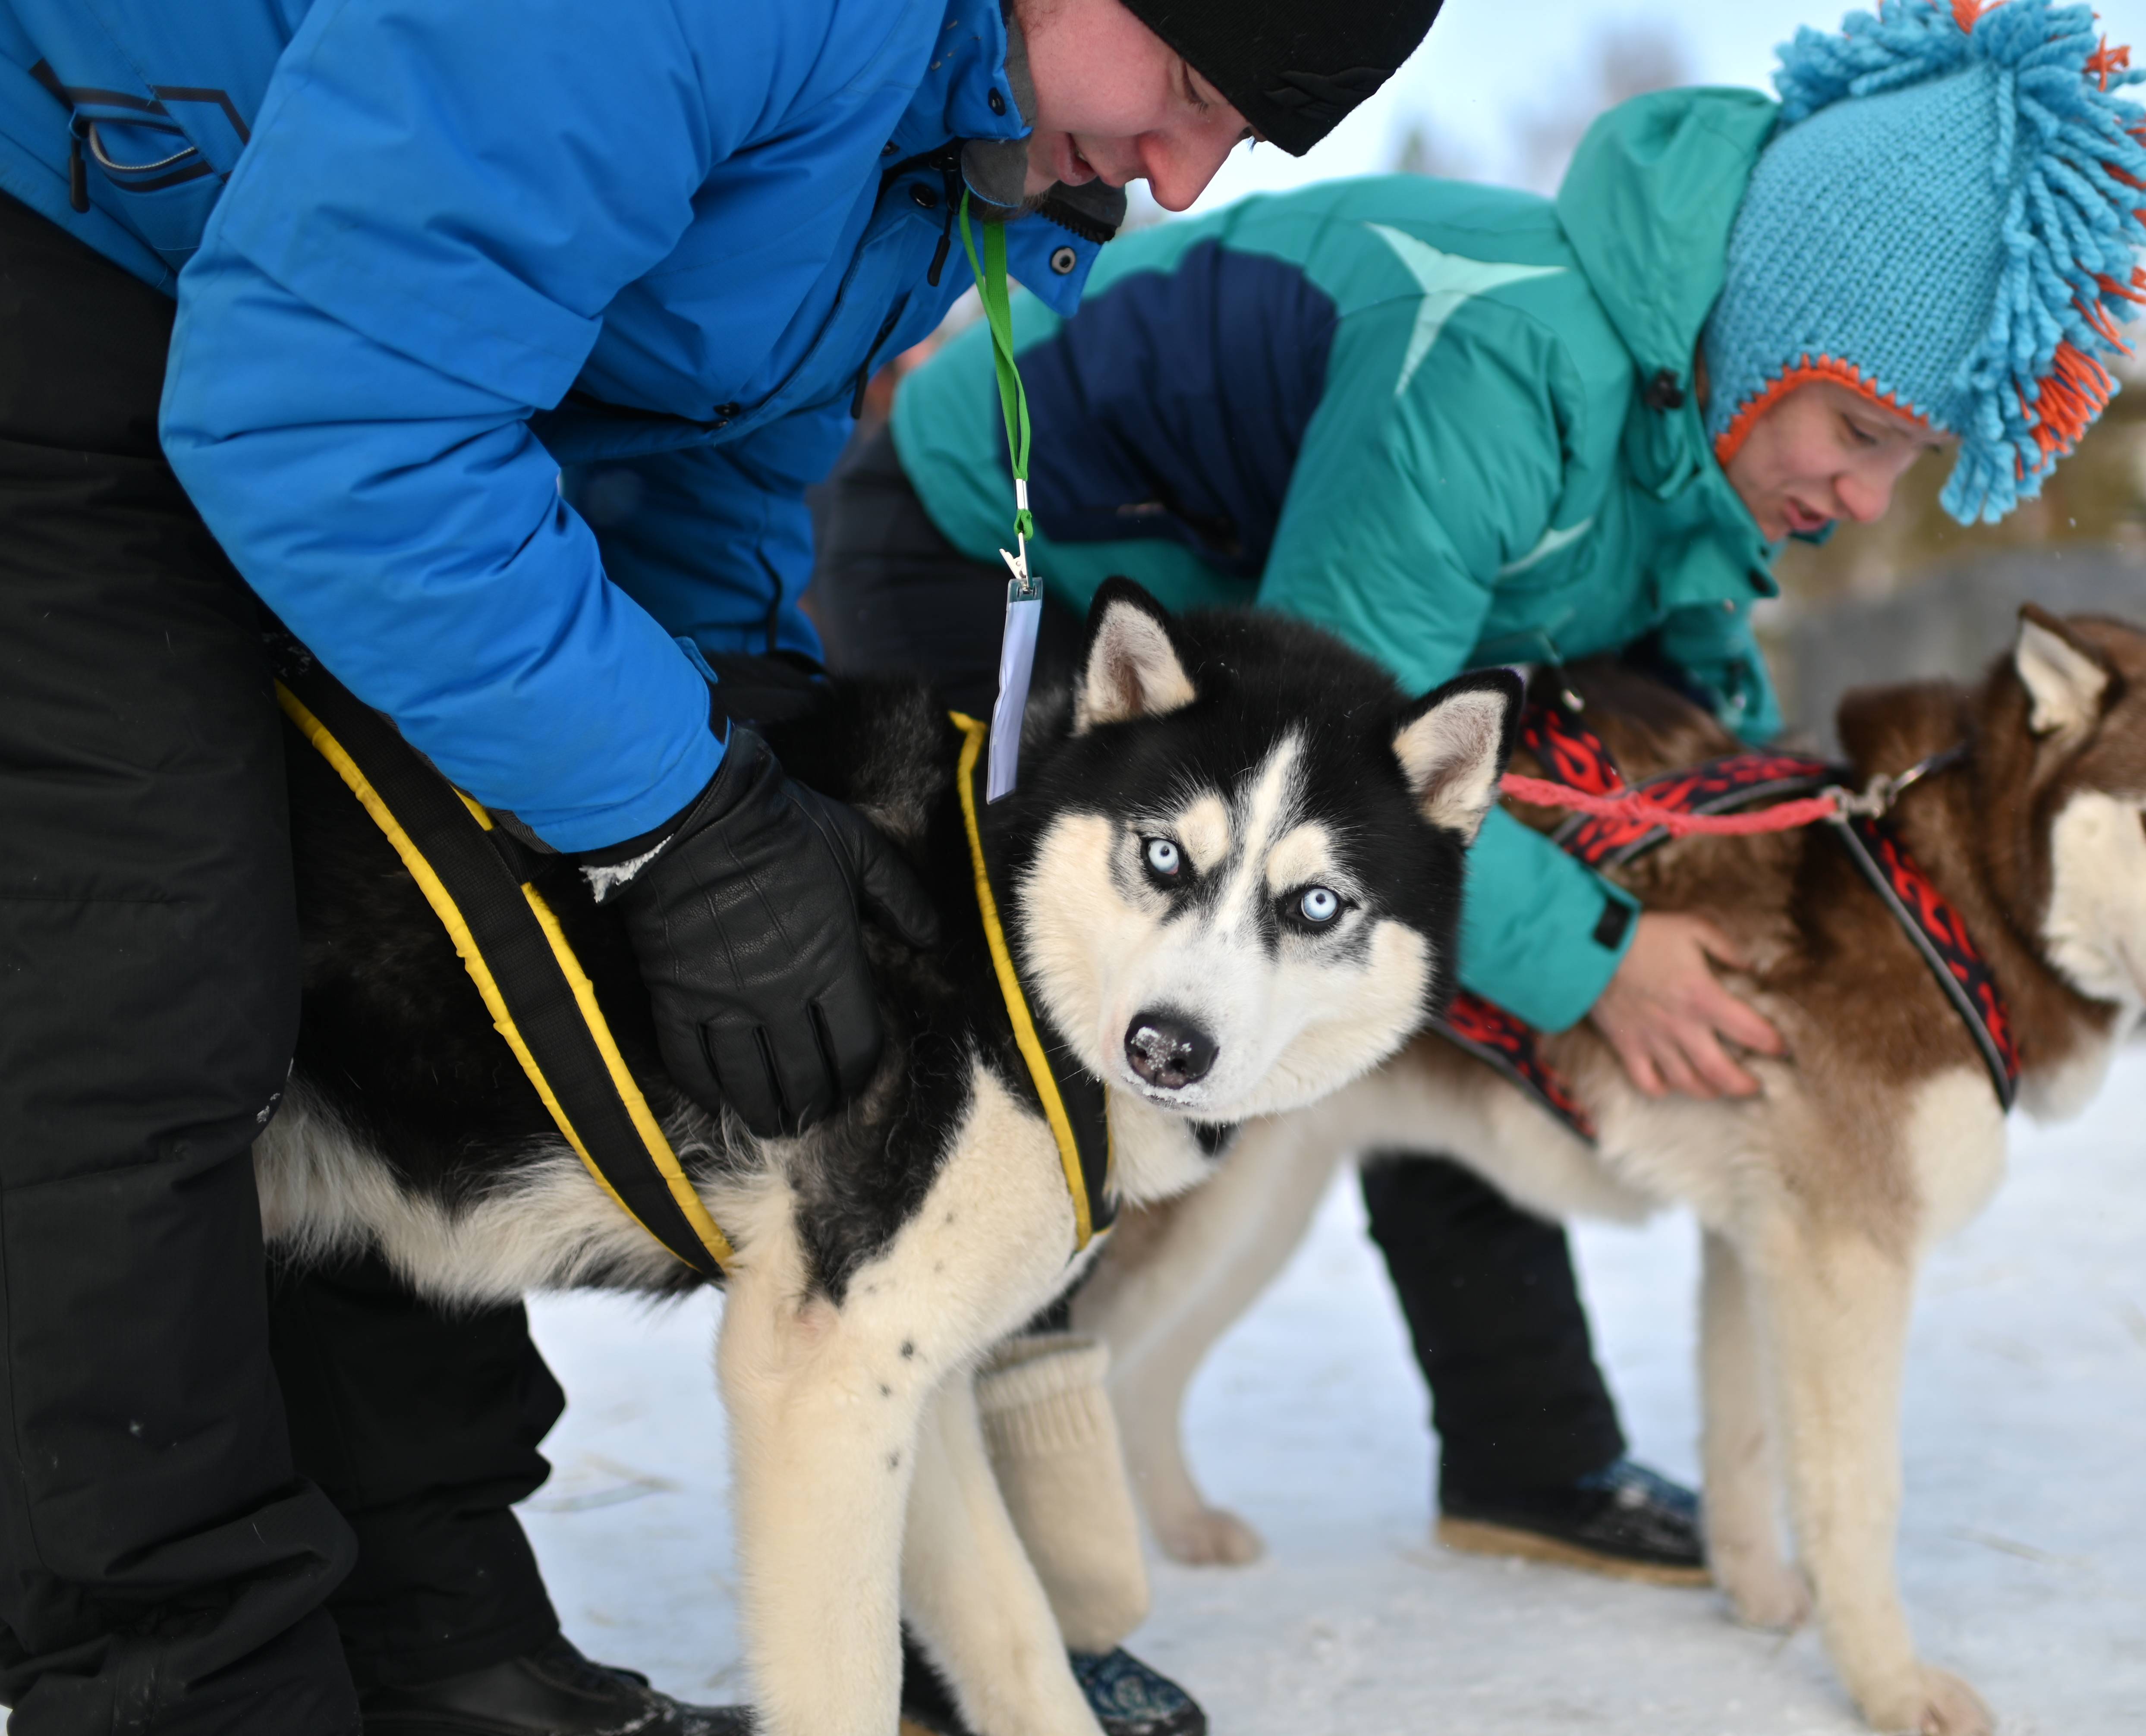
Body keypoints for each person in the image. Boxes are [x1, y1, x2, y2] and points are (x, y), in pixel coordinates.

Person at [0, 0, 1446, 1729]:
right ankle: (185, 1684)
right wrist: (671, 823)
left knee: (440, 946)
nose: (1186, 177)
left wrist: (733, 735)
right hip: (76, 268)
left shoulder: (945, 151)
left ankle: (437, 1625)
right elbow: (325, 414)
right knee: (147, 986)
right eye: (1193, 89)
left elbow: (696, 447)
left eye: (1247, 142)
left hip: (347, 348)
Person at [815, 0, 2146, 1589]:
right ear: (1766, 329)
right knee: (1062, 1021)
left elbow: (1684, 716)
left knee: (1400, 989)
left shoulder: (1692, 455)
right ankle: (959, 1582)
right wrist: (1606, 954)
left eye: (1911, 463)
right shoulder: (1504, 361)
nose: (1866, 496)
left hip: (1233, 615)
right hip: (992, 537)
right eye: (1861, 433)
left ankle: (1527, 1452)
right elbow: (1346, 774)